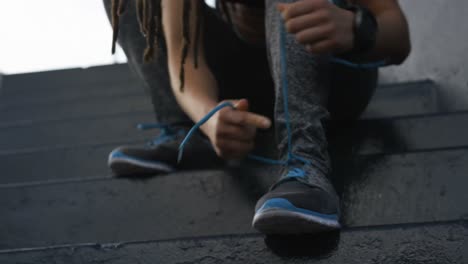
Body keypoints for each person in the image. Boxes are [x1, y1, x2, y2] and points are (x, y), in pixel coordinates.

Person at [104, 0, 410, 234]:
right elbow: (185, 63)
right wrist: (210, 119)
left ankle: (305, 160)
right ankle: (187, 133)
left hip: (334, 76)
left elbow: (398, 36)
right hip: (252, 82)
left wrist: (356, 28)